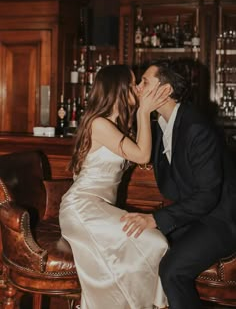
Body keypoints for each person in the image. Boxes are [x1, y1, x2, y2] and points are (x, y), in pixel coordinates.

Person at [121, 60, 236, 309]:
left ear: (165, 90)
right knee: (140, 247)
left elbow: (207, 197)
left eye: (145, 82)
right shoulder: (162, 127)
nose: (138, 88)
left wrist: (154, 219)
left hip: (220, 221)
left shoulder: (196, 128)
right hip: (194, 217)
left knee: (172, 271)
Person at [59, 64, 171, 309]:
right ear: (117, 87)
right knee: (156, 242)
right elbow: (142, 156)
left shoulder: (113, 125)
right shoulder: (99, 124)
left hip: (98, 207)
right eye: (132, 83)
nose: (137, 88)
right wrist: (143, 112)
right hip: (82, 208)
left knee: (154, 244)